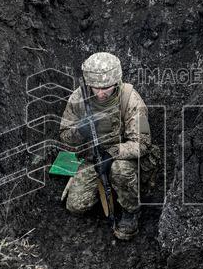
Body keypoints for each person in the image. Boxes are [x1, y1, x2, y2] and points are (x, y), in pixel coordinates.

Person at [59, 52, 153, 240]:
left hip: (122, 159)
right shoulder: (78, 99)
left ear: (116, 81)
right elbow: (64, 137)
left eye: (107, 88)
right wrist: (80, 131)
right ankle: (102, 189)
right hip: (92, 159)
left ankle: (131, 210)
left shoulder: (131, 100)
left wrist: (112, 153)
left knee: (120, 171)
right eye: (96, 88)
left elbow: (143, 143)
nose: (101, 93)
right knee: (76, 206)